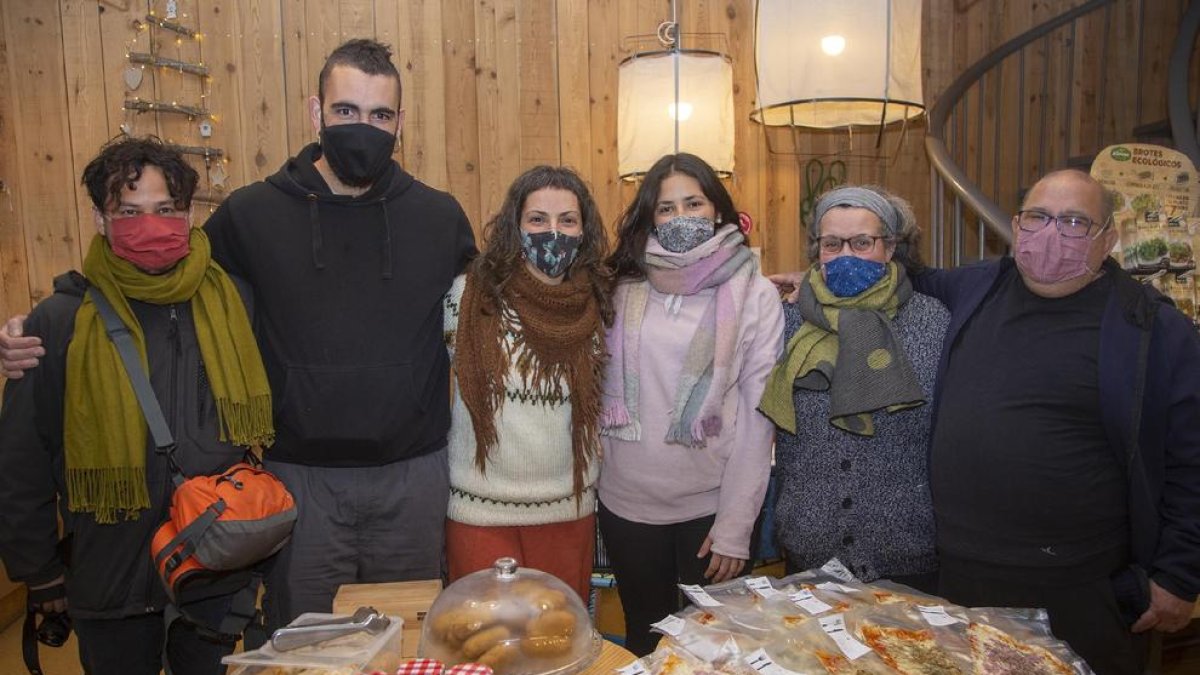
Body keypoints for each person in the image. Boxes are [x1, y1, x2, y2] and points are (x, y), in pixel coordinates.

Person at [0, 39, 477, 630]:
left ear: (400, 123)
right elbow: (169, 280)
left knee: (408, 640)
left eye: (380, 115)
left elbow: (494, 309)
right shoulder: (252, 215)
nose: (364, 127)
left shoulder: (440, 217)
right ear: (315, 112)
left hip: (414, 478)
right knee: (306, 648)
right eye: (346, 110)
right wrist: (52, 311)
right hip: (298, 480)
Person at [0, 137, 273, 675]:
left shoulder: (230, 303)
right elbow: (22, 457)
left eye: (165, 210)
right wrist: (39, 571)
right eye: (129, 212)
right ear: (101, 219)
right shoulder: (58, 322)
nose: (150, 226)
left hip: (210, 567)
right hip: (112, 574)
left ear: (188, 213)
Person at [916, 169, 1200, 674]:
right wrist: (819, 275)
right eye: (1038, 217)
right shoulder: (976, 287)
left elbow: (1191, 460)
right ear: (1017, 225)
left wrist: (1180, 575)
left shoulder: (1153, 328)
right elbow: (904, 280)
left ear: (1108, 238)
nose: (1051, 235)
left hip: (1080, 587)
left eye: (1073, 222)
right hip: (960, 575)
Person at [596, 153, 783, 655]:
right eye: (666, 208)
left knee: (713, 651)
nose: (680, 218)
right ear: (649, 217)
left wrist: (736, 526)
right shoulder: (619, 286)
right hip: (627, 506)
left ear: (718, 210)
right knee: (645, 640)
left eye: (693, 203)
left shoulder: (755, 292)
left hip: (709, 510)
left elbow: (759, 416)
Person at [757, 186, 948, 592]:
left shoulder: (933, 323)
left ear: (891, 246)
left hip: (906, 550)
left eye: (862, 242)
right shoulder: (787, 322)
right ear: (817, 250)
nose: (846, 255)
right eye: (832, 243)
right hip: (810, 548)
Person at [443, 166, 611, 600]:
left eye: (567, 221)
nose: (552, 232)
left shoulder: (600, 302)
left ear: (583, 230)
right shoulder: (466, 296)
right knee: (484, 646)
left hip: (568, 508)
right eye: (538, 219)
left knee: (559, 645)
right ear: (514, 227)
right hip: (479, 510)